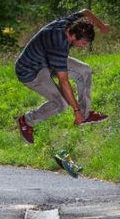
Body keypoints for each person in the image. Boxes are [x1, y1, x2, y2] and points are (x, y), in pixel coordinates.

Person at [14, 8, 111, 144]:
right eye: (83, 43)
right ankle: (26, 120)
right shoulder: (58, 46)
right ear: (73, 36)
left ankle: (85, 115)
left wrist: (101, 26)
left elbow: (85, 12)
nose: (83, 46)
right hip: (30, 71)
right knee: (61, 104)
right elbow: (63, 82)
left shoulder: (69, 24)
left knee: (85, 71)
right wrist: (75, 110)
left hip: (46, 60)